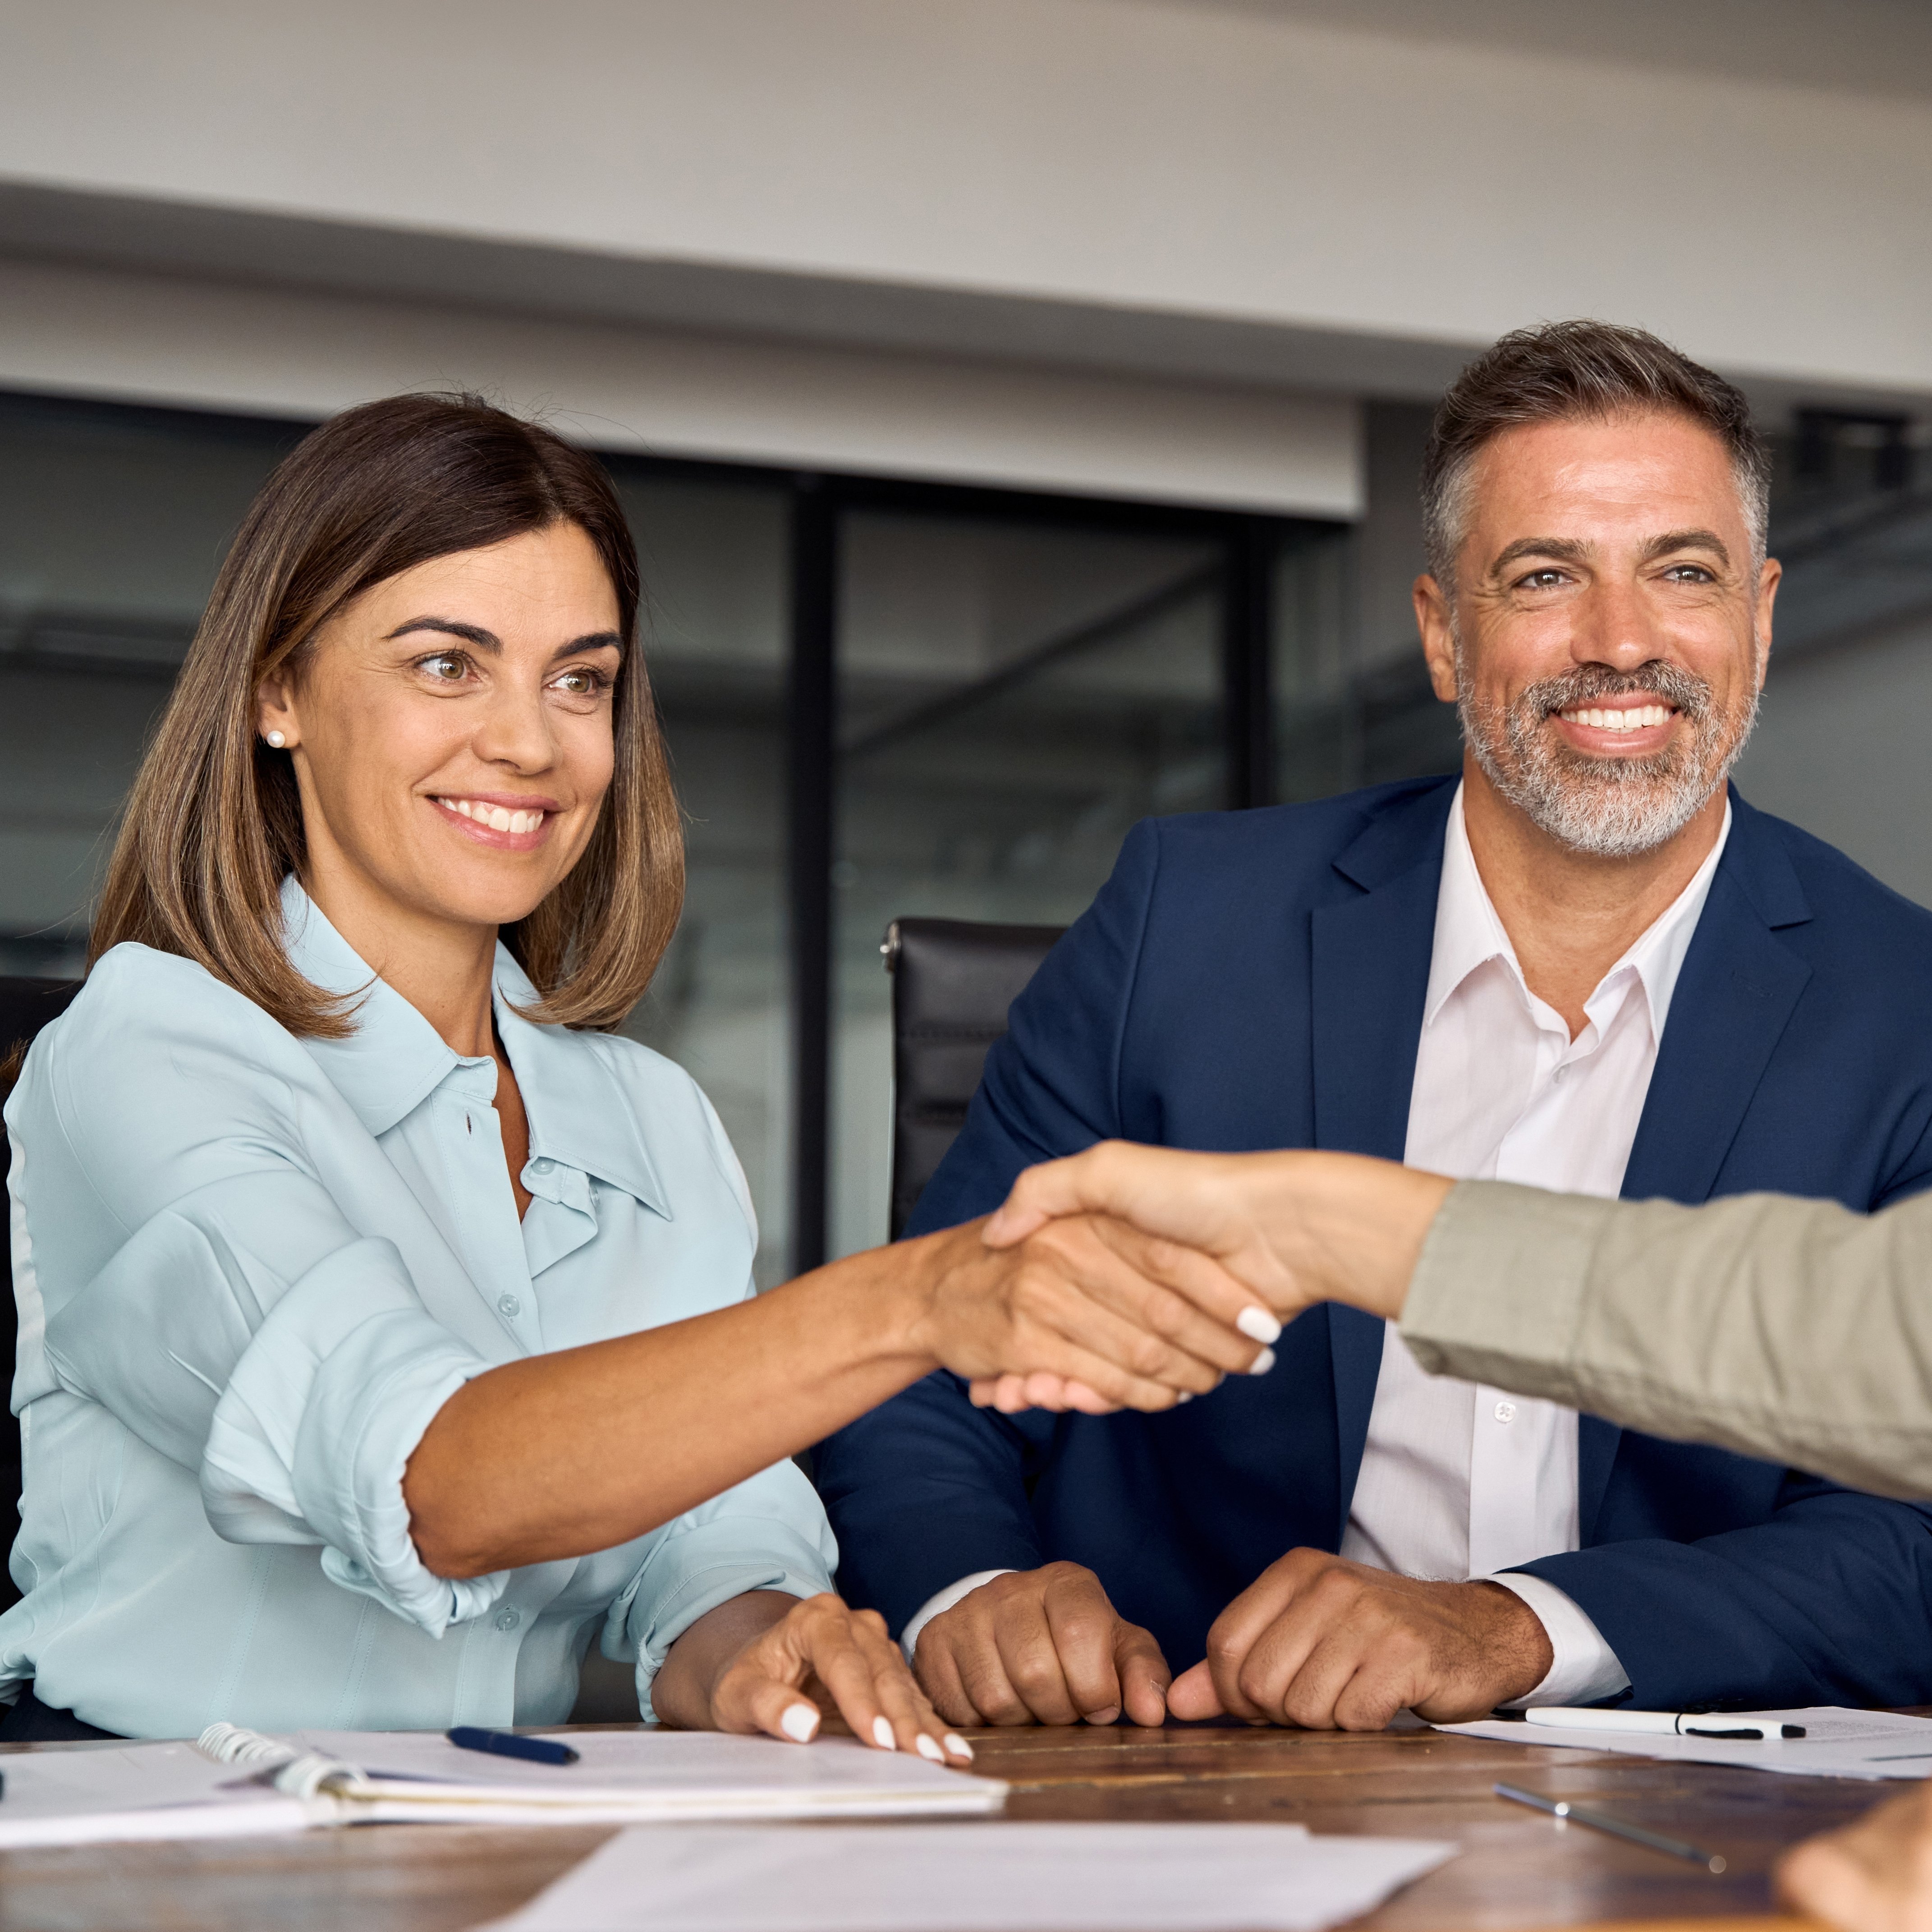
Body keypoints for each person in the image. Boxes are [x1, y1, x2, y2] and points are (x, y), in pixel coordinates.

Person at [0, 394, 1266, 1746]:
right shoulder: (146, 1049)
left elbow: (710, 1534)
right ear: (277, 693)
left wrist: (756, 1643)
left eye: (579, 679)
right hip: (162, 1813)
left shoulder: (650, 1115)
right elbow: (431, 1476)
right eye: (446, 664)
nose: (530, 743)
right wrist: (918, 1302)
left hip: (505, 1819)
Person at [815, 319, 1932, 1738]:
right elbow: (920, 1344)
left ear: (1757, 618)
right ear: (1441, 634)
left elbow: (1908, 1532)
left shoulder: (1904, 1005)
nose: (1620, 641)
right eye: (1544, 576)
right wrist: (973, 1586)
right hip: (1184, 1764)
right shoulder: (1183, 920)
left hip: (1672, 1788)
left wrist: (1518, 1625)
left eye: (1681, 572)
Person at [977, 1144, 1932, 1932]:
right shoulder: (1165, 973)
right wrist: (1317, 1227)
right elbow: (1866, 1313)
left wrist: (1517, 1625)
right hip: (1176, 1785)